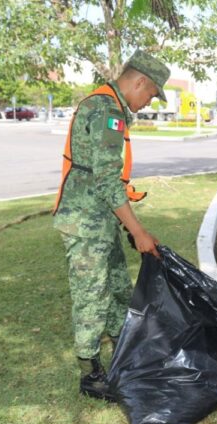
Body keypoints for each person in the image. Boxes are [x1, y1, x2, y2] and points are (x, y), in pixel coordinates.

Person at [51, 50, 170, 400]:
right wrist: (138, 231)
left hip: (101, 219)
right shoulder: (107, 111)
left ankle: (123, 352)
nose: (149, 101)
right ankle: (90, 374)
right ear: (139, 81)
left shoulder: (108, 107)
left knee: (118, 286)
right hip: (86, 223)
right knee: (92, 295)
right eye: (150, 94)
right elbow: (105, 181)